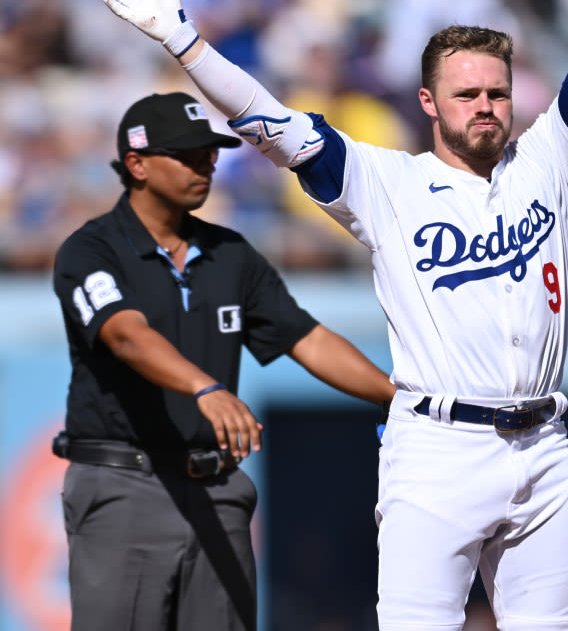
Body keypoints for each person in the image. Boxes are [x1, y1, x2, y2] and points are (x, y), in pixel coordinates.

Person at [98, 0, 568, 629]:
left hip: (545, 442)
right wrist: (185, 44)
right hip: (438, 446)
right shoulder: (388, 182)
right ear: (428, 101)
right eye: (465, 94)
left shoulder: (552, 157)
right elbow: (266, 123)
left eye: (495, 92)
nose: (484, 105)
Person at [51, 91, 395, 631]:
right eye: (186, 154)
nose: (205, 163)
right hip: (126, 486)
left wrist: (395, 396)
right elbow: (124, 335)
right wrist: (205, 388)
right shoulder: (92, 249)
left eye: (209, 152)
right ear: (137, 164)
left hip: (217, 488)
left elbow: (305, 338)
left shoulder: (229, 253)